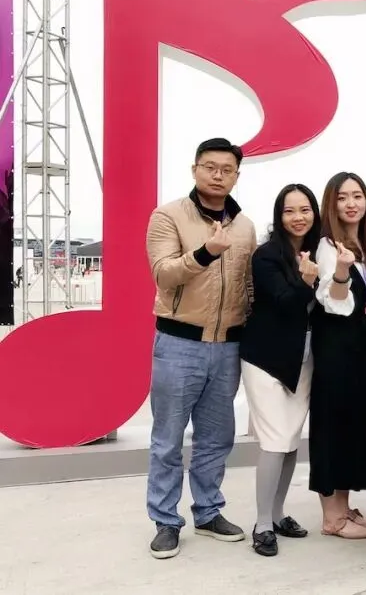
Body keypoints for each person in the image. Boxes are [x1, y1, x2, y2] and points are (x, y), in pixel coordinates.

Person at [144, 138, 256, 559]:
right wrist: (206, 253)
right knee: (168, 440)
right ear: (195, 170)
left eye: (226, 169)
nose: (217, 175)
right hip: (178, 344)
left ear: (236, 176)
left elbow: (248, 286)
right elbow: (163, 274)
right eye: (210, 167)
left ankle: (208, 512)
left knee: (216, 438)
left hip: (227, 348)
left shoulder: (244, 226)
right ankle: (165, 521)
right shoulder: (168, 216)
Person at [239, 183, 321, 556]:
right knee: (274, 441)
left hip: (303, 359)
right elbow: (286, 303)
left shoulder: (320, 251)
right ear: (279, 215)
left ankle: (277, 514)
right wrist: (307, 281)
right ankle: (261, 525)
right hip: (266, 359)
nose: (298, 217)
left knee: (289, 442)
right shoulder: (267, 255)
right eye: (289, 211)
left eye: (305, 209)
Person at [308, 172, 366, 539]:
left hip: (361, 346)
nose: (351, 203)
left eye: (357, 195)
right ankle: (331, 517)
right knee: (332, 425)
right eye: (342, 197)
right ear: (331, 204)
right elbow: (333, 302)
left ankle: (345, 506)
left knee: (353, 425)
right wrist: (341, 271)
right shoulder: (328, 246)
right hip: (335, 347)